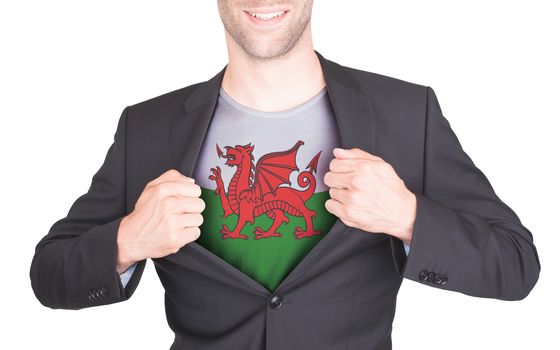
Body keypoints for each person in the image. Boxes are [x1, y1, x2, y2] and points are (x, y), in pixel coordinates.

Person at [30, 1, 541, 349]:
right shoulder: (147, 128)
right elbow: (50, 274)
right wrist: (128, 240)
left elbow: (516, 264)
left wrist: (408, 216)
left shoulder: (407, 114)